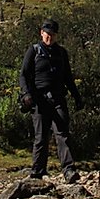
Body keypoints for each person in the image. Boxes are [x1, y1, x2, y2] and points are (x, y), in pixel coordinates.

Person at [19, 18, 84, 182]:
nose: (50, 37)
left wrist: (77, 97)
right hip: (39, 101)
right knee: (41, 137)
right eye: (47, 34)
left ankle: (69, 170)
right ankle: (37, 171)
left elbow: (68, 77)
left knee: (62, 134)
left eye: (53, 34)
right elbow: (24, 75)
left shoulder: (61, 53)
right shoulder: (33, 51)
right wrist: (26, 94)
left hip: (58, 98)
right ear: (42, 33)